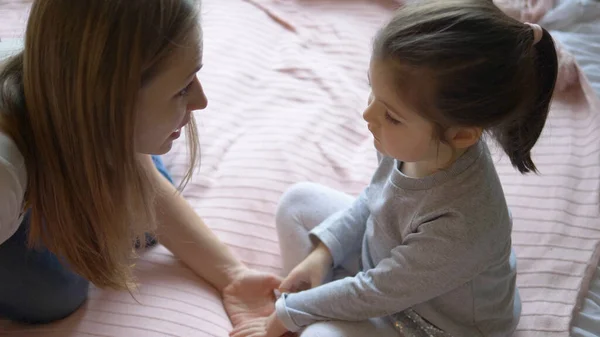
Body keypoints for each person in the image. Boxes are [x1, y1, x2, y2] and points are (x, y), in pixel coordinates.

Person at [230, 0, 559, 336]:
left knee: (318, 333)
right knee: (297, 203)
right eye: (372, 90)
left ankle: (322, 316)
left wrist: (284, 315)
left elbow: (377, 291)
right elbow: (376, 198)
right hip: (389, 272)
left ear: (461, 134)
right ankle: (328, 307)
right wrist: (323, 253)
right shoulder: (413, 142)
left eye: (391, 115)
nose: (368, 116)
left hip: (430, 325)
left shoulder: (464, 223)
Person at [0, 0, 280, 327]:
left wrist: (233, 275)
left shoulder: (74, 83)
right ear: (111, 105)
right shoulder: (5, 172)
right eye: (182, 88)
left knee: (141, 217)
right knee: (54, 290)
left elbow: (145, 187)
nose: (201, 101)